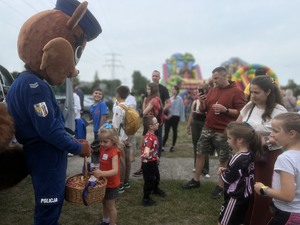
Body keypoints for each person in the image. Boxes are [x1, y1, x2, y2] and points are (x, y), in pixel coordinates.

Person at [182, 66, 246, 200]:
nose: (215, 81)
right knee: (200, 153)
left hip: (224, 131)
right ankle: (196, 180)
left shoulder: (237, 92)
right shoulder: (213, 90)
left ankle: (220, 186)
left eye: (217, 78)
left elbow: (242, 112)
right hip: (208, 127)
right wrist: (203, 102)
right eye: (213, 78)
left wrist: (226, 110)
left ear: (226, 76)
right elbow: (204, 109)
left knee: (223, 159)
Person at [237, 75, 287, 225]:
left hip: (268, 156)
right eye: (251, 92)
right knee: (247, 187)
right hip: (248, 153)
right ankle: (246, 218)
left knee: (262, 190)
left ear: (268, 92)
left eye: (257, 92)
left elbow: (284, 137)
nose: (253, 95)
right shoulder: (249, 106)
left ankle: (260, 220)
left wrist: (264, 141)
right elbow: (237, 125)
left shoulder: (279, 111)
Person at [254, 112, 300, 225]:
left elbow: (287, 195)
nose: (271, 134)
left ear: (292, 134)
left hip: (288, 213)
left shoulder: (285, 158)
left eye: (275, 131)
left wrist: (263, 189)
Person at [218, 122, 264, 225]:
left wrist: (221, 172)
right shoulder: (251, 153)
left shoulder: (238, 158)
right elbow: (241, 173)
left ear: (239, 140)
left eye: (229, 138)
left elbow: (228, 179)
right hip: (246, 195)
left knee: (223, 222)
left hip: (236, 197)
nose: (227, 140)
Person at [90, 124, 122, 225]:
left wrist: (101, 173)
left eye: (105, 141)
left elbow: (115, 171)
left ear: (113, 140)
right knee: (104, 202)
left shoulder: (114, 153)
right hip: (104, 182)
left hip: (112, 184)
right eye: (100, 141)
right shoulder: (103, 149)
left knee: (110, 206)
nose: (102, 144)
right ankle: (105, 221)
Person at [133, 82, 165, 177]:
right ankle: (147, 166)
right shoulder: (155, 99)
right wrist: (144, 101)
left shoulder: (153, 100)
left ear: (153, 90)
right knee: (151, 146)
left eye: (149, 89)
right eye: (147, 89)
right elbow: (145, 111)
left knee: (145, 146)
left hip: (151, 125)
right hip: (152, 124)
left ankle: (145, 167)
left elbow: (144, 112)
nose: (147, 90)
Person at [186, 83, 210, 177]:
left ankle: (205, 169)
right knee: (195, 145)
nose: (198, 91)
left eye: (200, 89)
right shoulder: (195, 101)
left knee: (204, 146)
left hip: (204, 123)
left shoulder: (208, 101)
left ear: (205, 91)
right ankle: (196, 166)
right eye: (197, 89)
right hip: (195, 124)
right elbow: (192, 114)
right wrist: (188, 126)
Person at [141, 115, 166, 206]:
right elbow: (147, 147)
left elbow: (153, 149)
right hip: (148, 163)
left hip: (153, 161)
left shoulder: (153, 136)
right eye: (156, 122)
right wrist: (146, 153)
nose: (158, 123)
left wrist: (156, 157)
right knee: (149, 180)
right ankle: (146, 198)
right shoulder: (149, 138)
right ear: (151, 126)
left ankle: (155, 189)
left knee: (156, 177)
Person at [112, 85, 131, 193]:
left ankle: (120, 184)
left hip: (120, 138)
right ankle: (126, 181)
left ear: (118, 94)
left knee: (121, 161)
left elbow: (115, 126)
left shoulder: (119, 108)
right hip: (127, 136)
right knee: (127, 160)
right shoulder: (128, 106)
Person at [162, 85, 185, 152]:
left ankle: (173, 146)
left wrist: (171, 115)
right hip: (167, 116)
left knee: (174, 131)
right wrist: (165, 115)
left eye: (174, 89)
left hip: (175, 116)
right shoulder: (169, 97)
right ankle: (162, 146)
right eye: (172, 89)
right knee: (166, 131)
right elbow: (166, 106)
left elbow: (179, 108)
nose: (172, 90)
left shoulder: (179, 98)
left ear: (177, 90)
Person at [125, 92, 138, 162]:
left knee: (131, 139)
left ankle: (132, 156)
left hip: (130, 121)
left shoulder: (131, 99)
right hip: (124, 121)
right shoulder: (122, 98)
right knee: (126, 139)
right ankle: (127, 155)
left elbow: (130, 109)